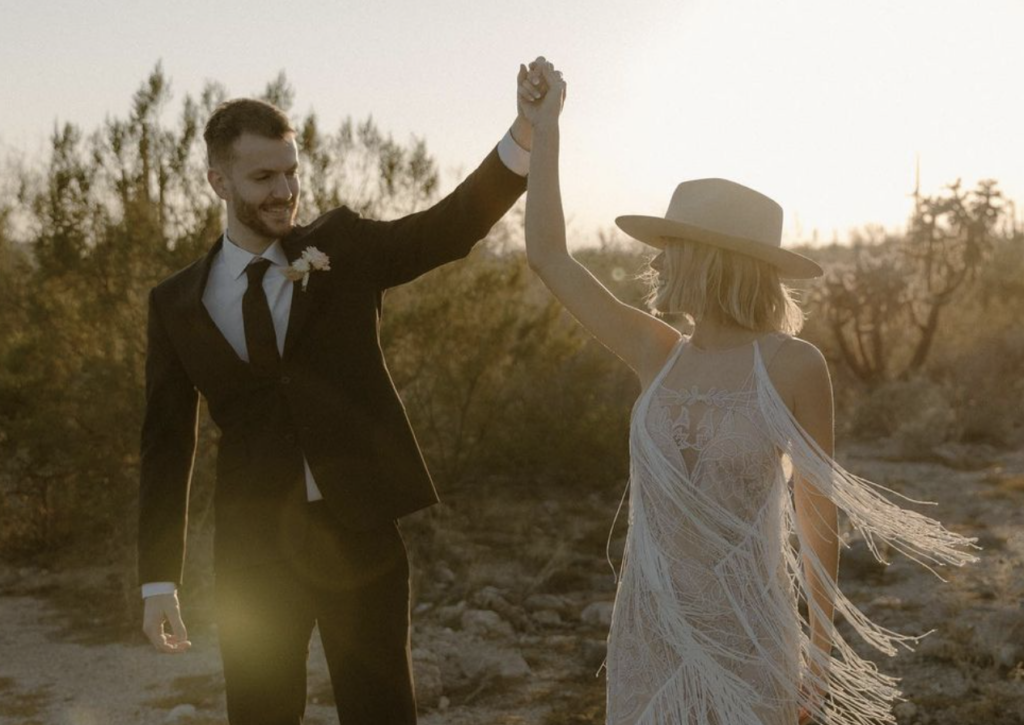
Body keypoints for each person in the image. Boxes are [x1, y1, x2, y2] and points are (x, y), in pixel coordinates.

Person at [518, 61, 978, 725]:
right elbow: (548, 258)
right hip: (650, 635)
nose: (655, 262)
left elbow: (819, 519)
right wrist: (546, 127)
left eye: (671, 247)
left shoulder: (793, 366)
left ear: (709, 260)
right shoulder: (657, 352)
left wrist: (819, 662)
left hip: (748, 639)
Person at [138, 60, 556, 724]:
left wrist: (524, 134)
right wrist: (158, 576)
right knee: (261, 713)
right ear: (218, 181)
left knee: (382, 711)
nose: (285, 190)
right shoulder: (176, 303)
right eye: (264, 177)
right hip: (252, 554)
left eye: (291, 171)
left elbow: (446, 227)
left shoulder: (342, 247)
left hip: (358, 535)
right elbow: (165, 444)